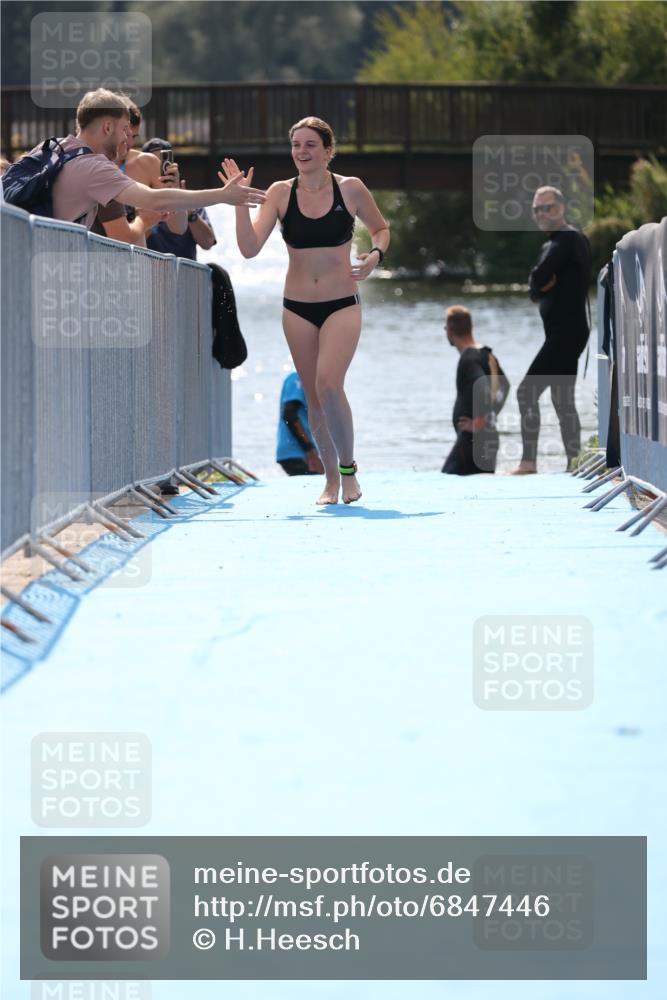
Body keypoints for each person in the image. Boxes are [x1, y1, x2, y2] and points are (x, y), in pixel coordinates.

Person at [220, 116, 389, 504]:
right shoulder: (280, 193)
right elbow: (248, 249)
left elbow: (381, 228)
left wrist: (375, 255)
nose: (302, 152)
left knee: (330, 384)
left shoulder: (350, 188)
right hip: (297, 308)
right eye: (296, 145)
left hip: (341, 304)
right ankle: (330, 481)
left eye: (310, 144)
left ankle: (349, 471)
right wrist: (240, 202)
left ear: (328, 151)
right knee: (313, 398)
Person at [23, 88, 265, 231]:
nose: (127, 139)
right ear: (107, 127)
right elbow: (155, 200)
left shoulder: (53, 148)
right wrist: (223, 195)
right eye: (124, 130)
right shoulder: (92, 166)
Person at [512, 185, 592, 474]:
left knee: (526, 393)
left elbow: (538, 276)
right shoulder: (553, 244)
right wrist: (538, 286)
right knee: (562, 399)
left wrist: (538, 283)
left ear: (562, 208)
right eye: (537, 209)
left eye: (548, 208)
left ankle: (528, 462)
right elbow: (536, 288)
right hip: (564, 333)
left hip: (566, 333)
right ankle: (574, 462)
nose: (542, 214)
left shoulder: (568, 237)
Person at [441, 305, 507, 476]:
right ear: (471, 327)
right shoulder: (486, 354)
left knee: (446, 481)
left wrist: (478, 422)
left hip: (473, 441)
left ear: (449, 330)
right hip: (487, 438)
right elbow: (504, 386)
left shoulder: (469, 359)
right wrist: (490, 418)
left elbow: (482, 385)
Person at [141, 138, 217, 258]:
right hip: (147, 274)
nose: (158, 169)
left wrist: (189, 212)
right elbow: (130, 241)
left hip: (184, 276)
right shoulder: (136, 200)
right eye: (152, 163)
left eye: (162, 162)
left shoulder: (189, 199)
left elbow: (208, 243)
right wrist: (152, 213)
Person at [276, 370, 325, 476]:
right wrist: (310, 450)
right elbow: (289, 415)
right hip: (296, 452)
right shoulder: (297, 377)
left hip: (303, 453)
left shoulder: (314, 381)